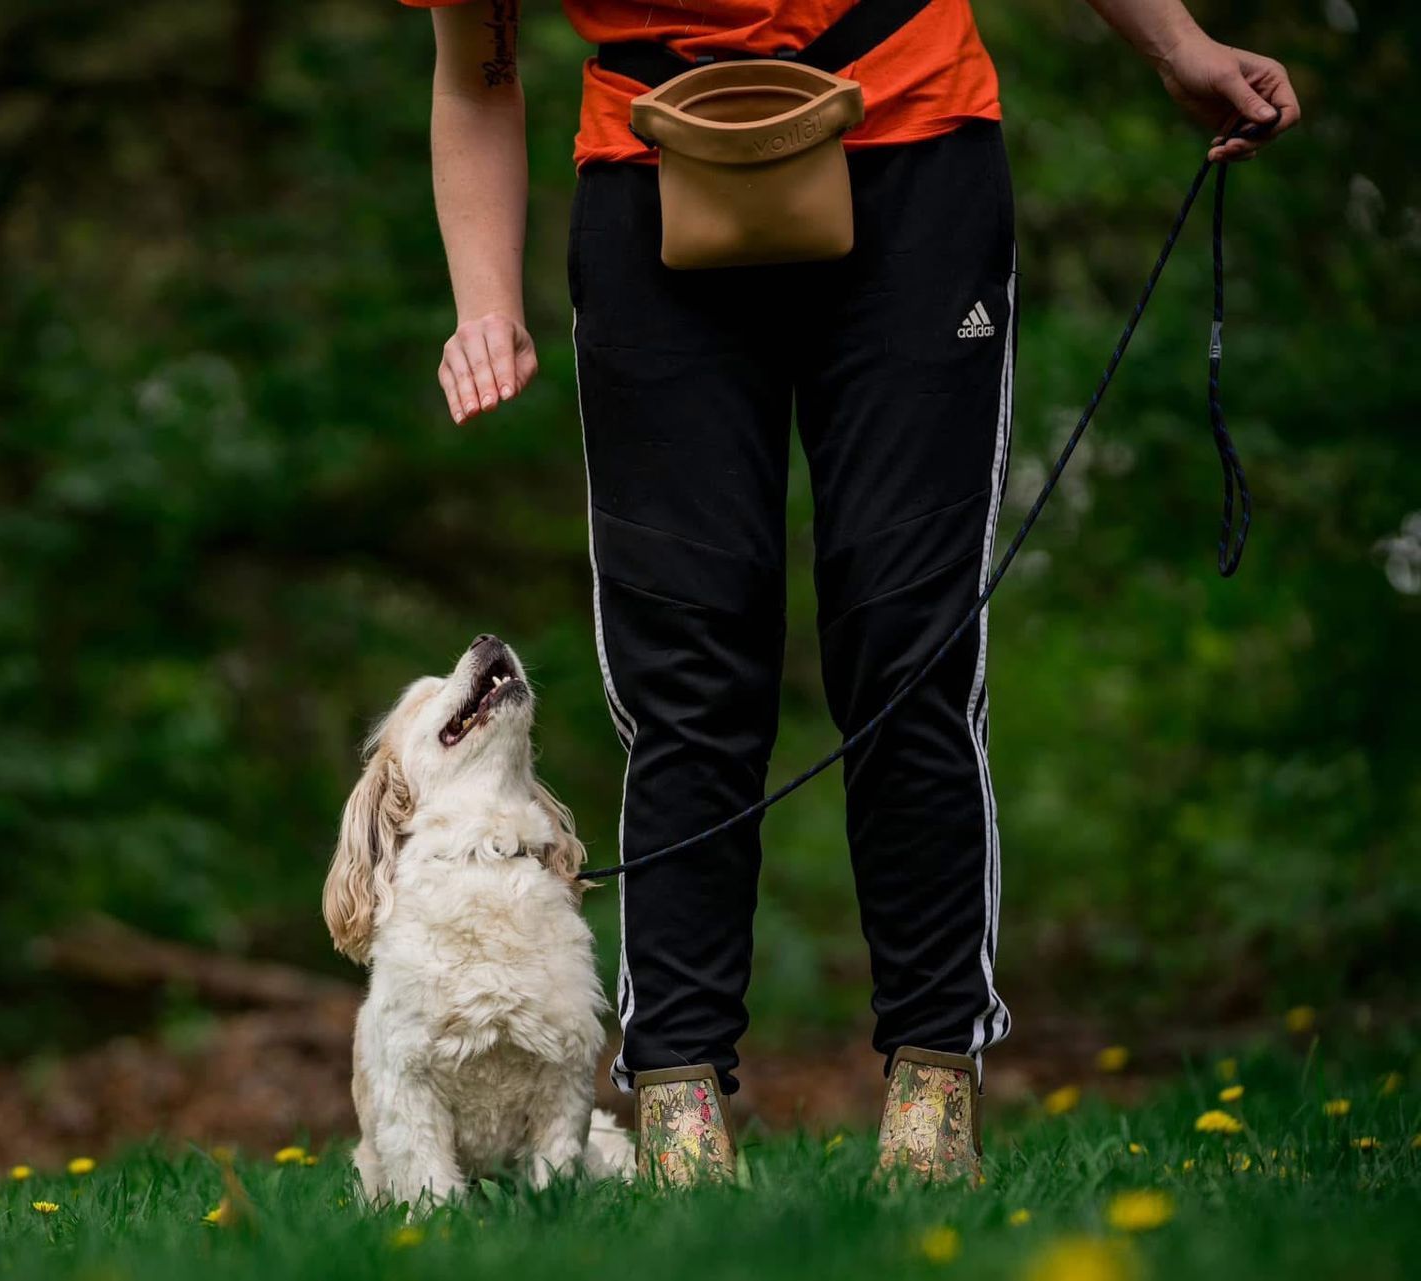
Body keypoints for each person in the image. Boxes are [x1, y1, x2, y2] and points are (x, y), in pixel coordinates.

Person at [404, 0, 1298, 1183]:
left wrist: (1182, 48)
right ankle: (680, 1119)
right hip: (652, 178)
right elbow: (476, 72)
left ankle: (933, 1106)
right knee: (687, 670)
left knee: (907, 654)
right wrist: (487, 303)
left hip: (914, 158)